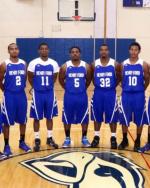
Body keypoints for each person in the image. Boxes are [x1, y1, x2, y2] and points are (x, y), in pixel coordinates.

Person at [0, 43, 31, 157]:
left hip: (21, 95)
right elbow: (0, 80)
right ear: (8, 51)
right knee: (7, 122)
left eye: (16, 49)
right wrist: (7, 91)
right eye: (12, 49)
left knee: (23, 120)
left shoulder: (24, 63)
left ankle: (22, 142)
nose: (14, 51)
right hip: (9, 96)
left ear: (18, 50)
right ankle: (7, 145)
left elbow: (25, 79)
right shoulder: (4, 65)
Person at [118, 42, 149, 151]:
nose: (133, 52)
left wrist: (142, 89)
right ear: (129, 51)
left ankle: (138, 140)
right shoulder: (123, 64)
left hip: (139, 95)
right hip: (126, 95)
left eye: (136, 50)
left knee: (139, 119)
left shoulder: (143, 64)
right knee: (124, 118)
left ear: (139, 51)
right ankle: (125, 139)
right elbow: (120, 78)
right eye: (131, 49)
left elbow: (147, 79)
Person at [28, 42, 59, 152]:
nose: (44, 50)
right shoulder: (33, 63)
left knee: (50, 117)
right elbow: (30, 77)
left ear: (48, 50)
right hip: (38, 94)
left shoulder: (54, 63)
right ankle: (37, 139)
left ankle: (49, 138)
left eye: (46, 49)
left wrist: (47, 87)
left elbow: (54, 78)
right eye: (42, 49)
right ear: (39, 51)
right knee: (37, 117)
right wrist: (36, 87)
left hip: (49, 93)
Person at [59, 46, 92, 148]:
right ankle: (67, 138)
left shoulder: (86, 66)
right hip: (69, 96)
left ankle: (84, 138)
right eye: (73, 52)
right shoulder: (65, 66)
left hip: (82, 96)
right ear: (70, 54)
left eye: (77, 52)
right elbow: (61, 80)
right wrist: (68, 89)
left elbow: (88, 80)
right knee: (67, 118)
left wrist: (82, 89)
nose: (75, 53)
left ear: (80, 53)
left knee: (84, 118)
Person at [90, 44, 120, 149]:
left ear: (108, 52)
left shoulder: (115, 64)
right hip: (98, 93)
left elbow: (119, 77)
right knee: (97, 116)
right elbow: (92, 78)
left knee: (112, 117)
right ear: (99, 52)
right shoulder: (94, 64)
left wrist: (112, 86)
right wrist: (98, 86)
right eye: (102, 50)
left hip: (110, 93)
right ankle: (96, 137)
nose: (104, 52)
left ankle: (113, 138)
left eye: (106, 50)